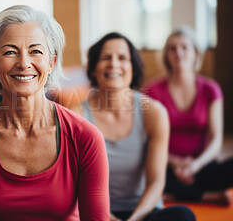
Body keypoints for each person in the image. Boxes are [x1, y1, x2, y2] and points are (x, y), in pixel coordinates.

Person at [0, 5, 110, 221]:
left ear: (51, 62)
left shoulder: (86, 138)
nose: (24, 63)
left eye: (35, 51)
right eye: (10, 52)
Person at [72, 32, 196, 221]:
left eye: (122, 58)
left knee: (183, 216)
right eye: (106, 58)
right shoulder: (76, 115)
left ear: (133, 68)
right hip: (96, 214)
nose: (114, 64)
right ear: (94, 69)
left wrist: (134, 220)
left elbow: (156, 182)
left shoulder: (153, 113)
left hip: (143, 212)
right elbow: (75, 186)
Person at [146, 27, 233, 205]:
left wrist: (195, 165)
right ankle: (205, 196)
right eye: (172, 48)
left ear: (195, 53)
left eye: (184, 47)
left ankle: (176, 194)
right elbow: (148, 139)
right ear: (166, 56)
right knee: (144, 171)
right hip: (165, 165)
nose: (178, 53)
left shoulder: (211, 89)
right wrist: (176, 163)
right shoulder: (152, 90)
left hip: (202, 165)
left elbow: (216, 140)